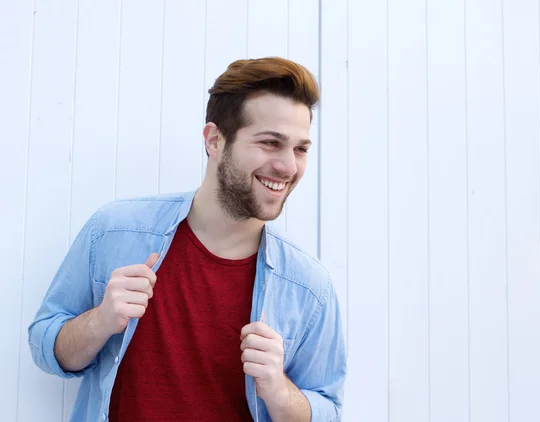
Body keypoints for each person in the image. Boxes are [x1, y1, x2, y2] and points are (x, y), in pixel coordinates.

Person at [28, 57, 346, 422]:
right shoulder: (113, 231)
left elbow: (328, 410)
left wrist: (279, 390)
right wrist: (99, 321)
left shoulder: (310, 287)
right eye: (270, 142)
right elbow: (44, 343)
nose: (288, 166)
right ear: (214, 140)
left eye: (300, 149)